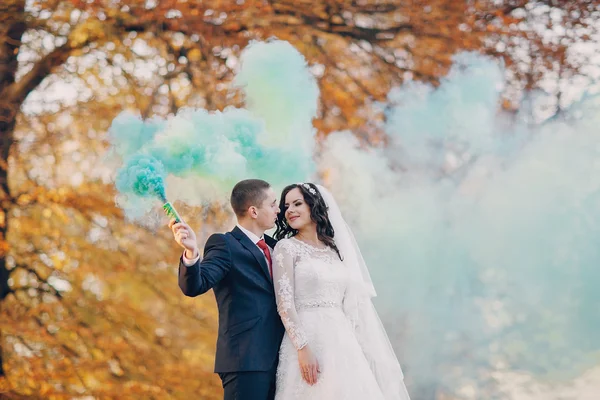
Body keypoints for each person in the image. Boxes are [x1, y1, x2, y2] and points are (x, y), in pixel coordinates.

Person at [272, 182, 410, 399]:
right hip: (307, 337)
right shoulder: (286, 248)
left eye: (297, 203)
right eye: (286, 206)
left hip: (342, 340)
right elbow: (284, 303)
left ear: (314, 206)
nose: (289, 210)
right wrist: (302, 347)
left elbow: (352, 301)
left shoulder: (335, 251)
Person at [170, 179, 284, 400]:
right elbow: (195, 285)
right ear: (253, 211)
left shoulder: (278, 248)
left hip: (282, 361)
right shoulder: (225, 245)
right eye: (272, 204)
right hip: (245, 361)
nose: (278, 210)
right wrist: (192, 253)